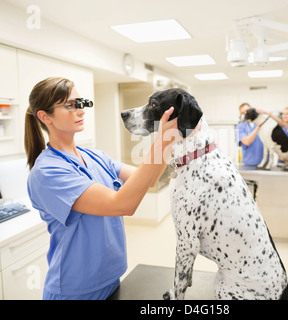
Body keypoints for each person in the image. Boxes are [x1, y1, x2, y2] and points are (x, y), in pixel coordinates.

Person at [24, 77, 178, 300]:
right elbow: (123, 204)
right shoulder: (47, 172)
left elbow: (149, 179)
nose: (80, 110)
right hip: (75, 291)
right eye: (70, 105)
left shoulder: (94, 156)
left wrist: (169, 137)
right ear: (44, 116)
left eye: (80, 103)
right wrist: (162, 140)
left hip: (111, 280)